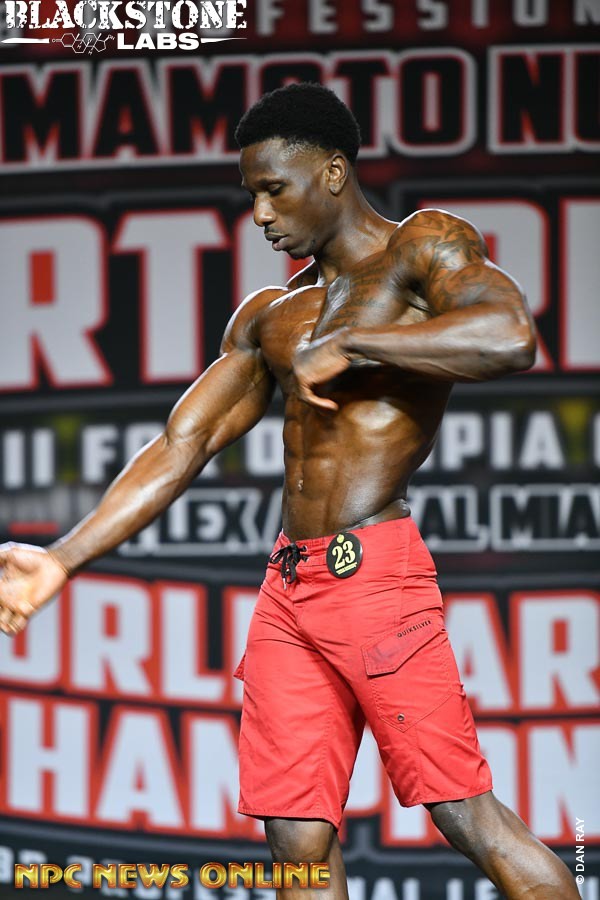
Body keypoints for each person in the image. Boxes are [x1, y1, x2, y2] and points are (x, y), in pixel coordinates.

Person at [0, 84, 578, 899]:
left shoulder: (421, 249)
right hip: (288, 591)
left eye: (275, 189)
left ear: (333, 173)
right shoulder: (272, 313)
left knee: (463, 813)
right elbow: (183, 442)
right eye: (252, 196)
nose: (261, 214)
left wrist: (358, 346)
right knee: (296, 837)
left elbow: (510, 335)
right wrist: (61, 560)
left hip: (377, 577)